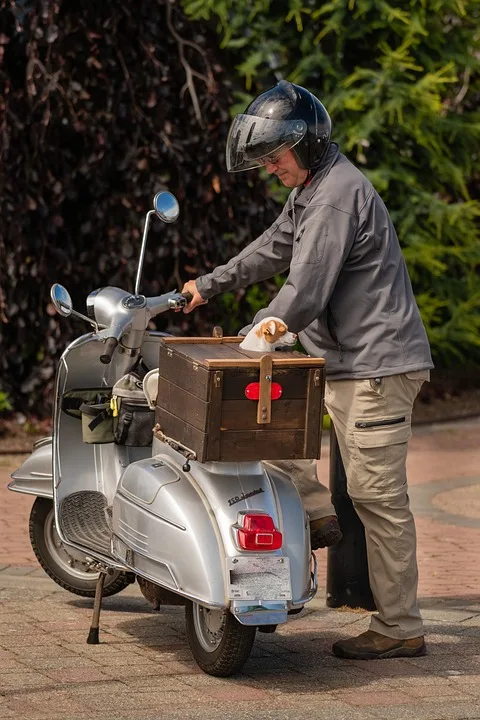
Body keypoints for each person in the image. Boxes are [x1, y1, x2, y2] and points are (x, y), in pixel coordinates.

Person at [181, 79, 434, 660]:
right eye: (265, 160)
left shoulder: (338, 196)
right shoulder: (314, 190)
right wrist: (207, 285)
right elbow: (272, 249)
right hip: (342, 362)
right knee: (272, 436)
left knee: (376, 498)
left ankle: (400, 626)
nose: (271, 168)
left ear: (308, 144)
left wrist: (259, 335)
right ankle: (319, 514)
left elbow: (304, 292)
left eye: (275, 157)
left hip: (376, 368)